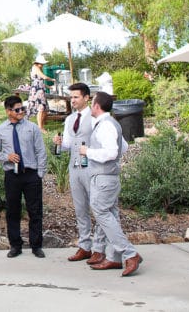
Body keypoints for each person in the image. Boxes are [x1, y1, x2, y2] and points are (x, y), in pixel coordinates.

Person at [80, 91, 142, 276]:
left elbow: (112, 153)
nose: (91, 106)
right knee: (111, 215)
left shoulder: (106, 126)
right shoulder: (112, 124)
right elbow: (124, 147)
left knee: (101, 212)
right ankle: (113, 258)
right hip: (110, 177)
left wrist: (88, 152)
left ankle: (130, 253)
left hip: (104, 177)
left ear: (97, 106)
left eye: (92, 103)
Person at [0, 95, 47, 258]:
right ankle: (15, 245)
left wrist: (40, 173)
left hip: (31, 175)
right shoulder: (0, 130)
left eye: (23, 108)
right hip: (12, 175)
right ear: (8, 111)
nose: (21, 111)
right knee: (12, 211)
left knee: (35, 210)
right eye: (17, 109)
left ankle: (36, 245)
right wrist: (6, 157)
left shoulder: (32, 128)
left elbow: (40, 151)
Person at [53, 82, 96, 261]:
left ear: (87, 97)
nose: (73, 100)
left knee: (97, 207)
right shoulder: (70, 119)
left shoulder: (95, 118)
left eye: (76, 97)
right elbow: (68, 145)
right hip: (75, 167)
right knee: (80, 209)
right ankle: (85, 246)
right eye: (71, 97)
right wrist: (59, 143)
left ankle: (100, 248)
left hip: (93, 168)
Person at [28, 56, 53, 131]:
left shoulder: (37, 68)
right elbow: (44, 77)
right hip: (37, 90)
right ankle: (40, 128)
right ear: (38, 63)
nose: (43, 65)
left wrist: (49, 87)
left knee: (44, 109)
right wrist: (52, 79)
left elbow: (40, 81)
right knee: (41, 108)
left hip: (39, 89)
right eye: (42, 64)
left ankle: (41, 125)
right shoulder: (35, 67)